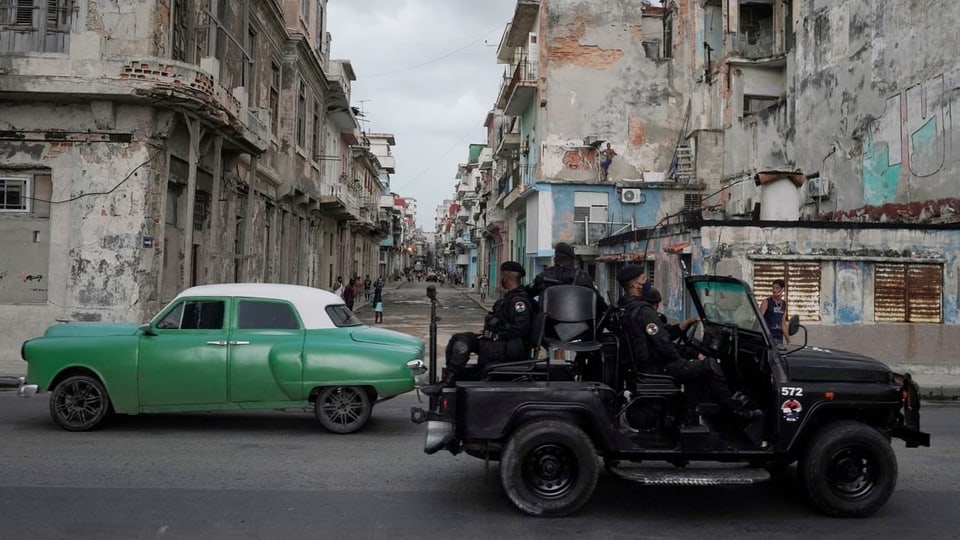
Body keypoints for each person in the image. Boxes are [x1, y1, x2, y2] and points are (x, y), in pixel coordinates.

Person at [613, 265, 740, 417]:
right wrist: (684, 360)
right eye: (643, 279)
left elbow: (660, 338)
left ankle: (689, 414)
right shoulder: (645, 312)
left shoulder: (625, 307)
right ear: (635, 285)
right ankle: (735, 412)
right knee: (710, 366)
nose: (647, 281)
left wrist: (689, 352)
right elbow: (663, 345)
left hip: (645, 366)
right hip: (655, 368)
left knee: (696, 368)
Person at [422, 261, 534, 395]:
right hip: (498, 342)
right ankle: (450, 379)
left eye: (501, 276)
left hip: (508, 347)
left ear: (506, 277)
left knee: (462, 344)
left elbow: (521, 328)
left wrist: (495, 335)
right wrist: (487, 332)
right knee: (459, 339)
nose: (500, 279)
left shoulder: (518, 301)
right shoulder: (508, 298)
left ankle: (450, 382)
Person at [526, 242, 608, 314]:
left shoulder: (543, 276)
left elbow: (526, 293)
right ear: (572, 260)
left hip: (548, 325)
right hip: (581, 326)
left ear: (555, 259)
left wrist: (538, 308)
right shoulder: (582, 277)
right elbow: (599, 302)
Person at [759, 279, 790, 345]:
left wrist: (788, 340)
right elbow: (759, 320)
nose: (774, 290)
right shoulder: (766, 302)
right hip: (767, 338)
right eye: (773, 288)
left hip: (779, 338)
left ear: (782, 289)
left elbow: (783, 323)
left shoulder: (784, 304)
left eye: (777, 288)